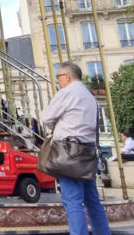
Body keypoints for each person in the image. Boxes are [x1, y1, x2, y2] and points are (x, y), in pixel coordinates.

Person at [41, 61, 110, 235]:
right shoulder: (89, 96)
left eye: (59, 78)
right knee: (92, 199)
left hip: (69, 152)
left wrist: (55, 125)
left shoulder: (66, 93)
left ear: (67, 77)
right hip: (88, 152)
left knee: (72, 201)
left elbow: (47, 117)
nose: (58, 81)